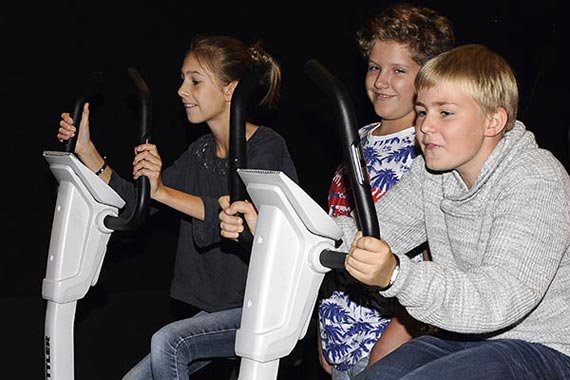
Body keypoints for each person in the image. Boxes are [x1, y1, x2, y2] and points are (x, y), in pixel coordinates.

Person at [56, 34, 298, 380]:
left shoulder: (266, 147)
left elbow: (238, 217)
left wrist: (162, 191)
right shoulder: (199, 153)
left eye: (195, 81)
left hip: (265, 310)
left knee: (170, 341)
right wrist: (87, 151)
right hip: (217, 310)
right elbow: (136, 203)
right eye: (183, 80)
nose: (182, 91)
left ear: (231, 90)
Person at [334, 43, 570, 380]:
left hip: (542, 347)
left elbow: (501, 297)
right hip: (463, 337)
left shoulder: (535, 179)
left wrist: (398, 276)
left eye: (445, 113)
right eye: (422, 111)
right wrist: (287, 228)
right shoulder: (433, 174)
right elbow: (373, 231)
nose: (426, 126)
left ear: (494, 120)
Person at [316, 4, 454, 379]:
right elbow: (337, 237)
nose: (380, 82)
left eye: (398, 71)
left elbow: (435, 261)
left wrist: (393, 344)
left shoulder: (430, 150)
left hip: (385, 350)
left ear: (427, 77)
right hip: (339, 342)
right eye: (375, 67)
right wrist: (325, 328)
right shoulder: (358, 139)